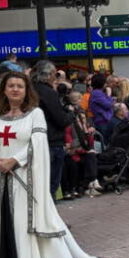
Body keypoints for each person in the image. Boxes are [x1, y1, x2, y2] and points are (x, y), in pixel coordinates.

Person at [0, 72, 118, 258]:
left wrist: (14, 160)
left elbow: (38, 143)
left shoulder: (35, 114)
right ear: (3, 90)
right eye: (11, 86)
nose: (15, 89)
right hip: (0, 175)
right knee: (5, 219)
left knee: (24, 220)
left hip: (25, 175)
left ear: (27, 91)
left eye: (20, 86)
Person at [32, 61, 73, 199]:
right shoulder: (47, 92)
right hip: (51, 140)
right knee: (50, 184)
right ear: (48, 75)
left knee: (43, 183)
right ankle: (48, 217)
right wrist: (69, 114)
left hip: (39, 139)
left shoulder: (32, 90)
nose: (56, 77)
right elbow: (60, 119)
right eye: (55, 74)